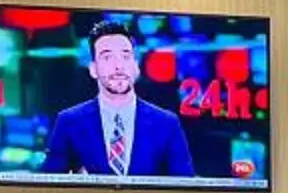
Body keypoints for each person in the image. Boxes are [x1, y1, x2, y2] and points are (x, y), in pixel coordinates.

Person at [40, 19, 195, 176]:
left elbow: (185, 185)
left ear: (136, 66)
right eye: (107, 57)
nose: (118, 66)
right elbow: (48, 184)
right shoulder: (69, 122)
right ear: (93, 69)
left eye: (125, 57)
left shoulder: (167, 124)